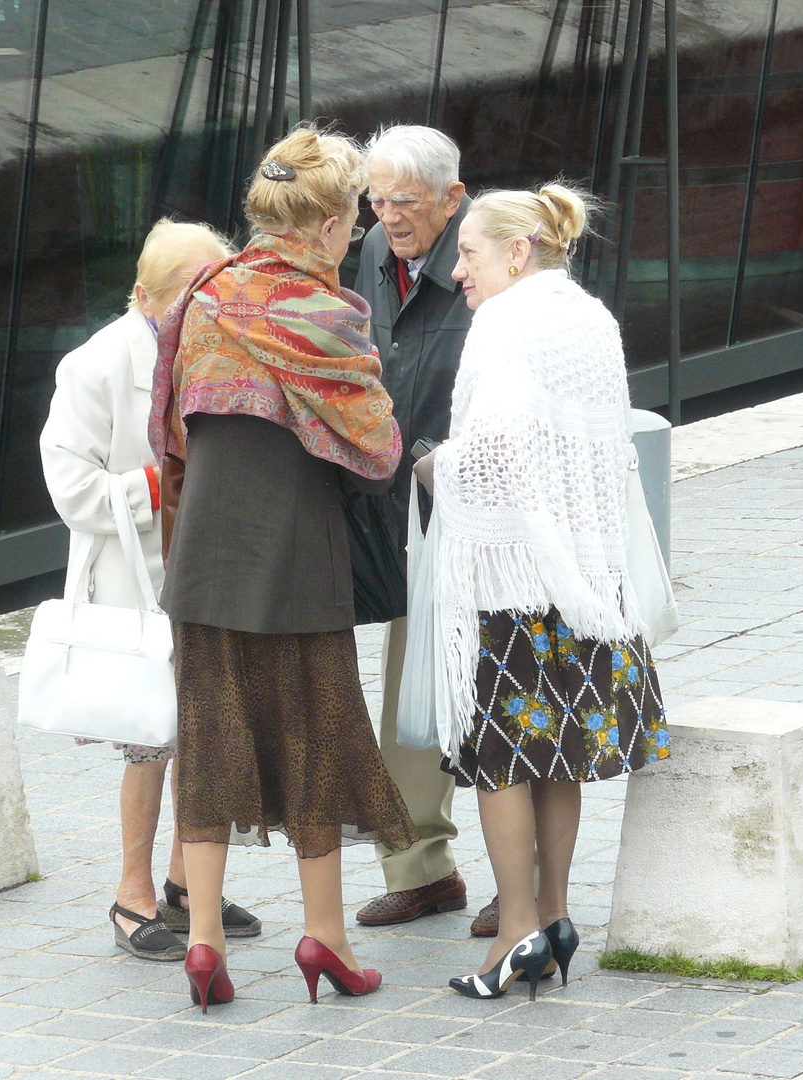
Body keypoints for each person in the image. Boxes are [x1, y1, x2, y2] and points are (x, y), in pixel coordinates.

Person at [150, 125, 417, 1011]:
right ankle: (325, 939)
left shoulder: (202, 297)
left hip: (201, 562)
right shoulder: (326, 313)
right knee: (318, 746)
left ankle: (202, 944)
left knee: (208, 746)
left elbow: (175, 432)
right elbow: (377, 450)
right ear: (336, 223)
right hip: (296, 558)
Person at [415, 184, 669, 1000]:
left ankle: (517, 929)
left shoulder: (506, 322)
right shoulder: (594, 319)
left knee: (500, 762)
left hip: (512, 582)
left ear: (517, 252)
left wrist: (431, 467)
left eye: (471, 253)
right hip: (588, 574)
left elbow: (494, 452)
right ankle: (557, 915)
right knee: (556, 751)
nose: (459, 270)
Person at [39, 218, 261, 962]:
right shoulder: (94, 365)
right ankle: (132, 895)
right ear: (144, 295)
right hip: (137, 581)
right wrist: (164, 483)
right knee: (150, 742)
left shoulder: (224, 343)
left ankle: (186, 884)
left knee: (213, 732)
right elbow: (72, 492)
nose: (213, 302)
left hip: (211, 569)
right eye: (195, 292)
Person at [351, 124, 492, 933]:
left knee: (492, 693)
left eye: (405, 200)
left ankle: (527, 879)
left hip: (470, 509)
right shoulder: (372, 249)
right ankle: (421, 868)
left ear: (452, 198)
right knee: (410, 698)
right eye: (376, 198)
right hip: (393, 512)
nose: (387, 215)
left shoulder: (489, 264)